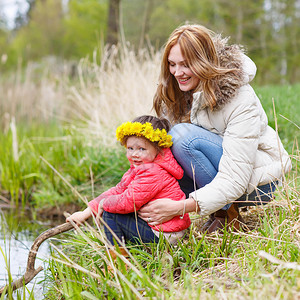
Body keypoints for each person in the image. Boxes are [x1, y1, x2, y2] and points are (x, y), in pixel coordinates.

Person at [138, 24, 292, 234]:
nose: (177, 72)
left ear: (204, 61)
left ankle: (226, 215)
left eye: (186, 64)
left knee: (183, 138)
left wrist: (180, 207)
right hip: (218, 174)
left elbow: (236, 178)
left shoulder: (239, 97)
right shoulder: (175, 92)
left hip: (257, 182)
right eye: (172, 64)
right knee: (161, 155)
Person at [66, 115, 191, 245]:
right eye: (130, 148)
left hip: (167, 235)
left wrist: (103, 204)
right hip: (160, 228)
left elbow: (128, 202)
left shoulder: (154, 171)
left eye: (142, 149)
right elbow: (117, 191)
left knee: (111, 213)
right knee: (112, 206)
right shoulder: (140, 167)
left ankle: (117, 257)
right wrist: (86, 212)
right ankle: (122, 248)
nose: (134, 154)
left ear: (158, 148)